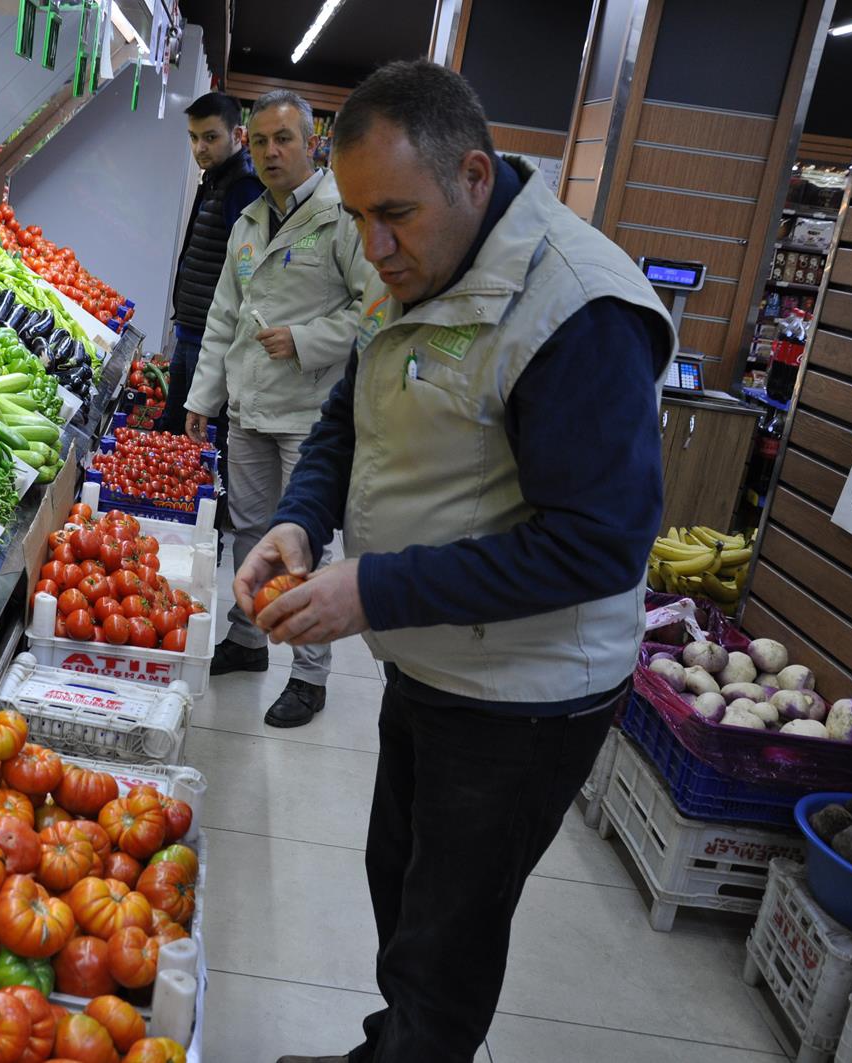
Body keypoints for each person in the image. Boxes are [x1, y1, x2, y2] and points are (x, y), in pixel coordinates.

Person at [239, 61, 675, 1063]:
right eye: (354, 216)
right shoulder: (422, 262)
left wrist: (375, 588)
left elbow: (598, 544)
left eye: (393, 214)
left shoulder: (577, 312)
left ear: (476, 176)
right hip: (436, 656)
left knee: (447, 928)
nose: (372, 246)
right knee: (398, 878)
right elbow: (353, 416)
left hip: (526, 691)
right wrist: (303, 523)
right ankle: (390, 1047)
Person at [184, 89, 375, 728]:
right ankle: (247, 638)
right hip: (249, 407)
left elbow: (372, 312)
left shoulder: (341, 219)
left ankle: (310, 675)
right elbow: (222, 320)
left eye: (284, 139)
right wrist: (203, 398)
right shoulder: (248, 222)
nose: (271, 152)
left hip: (309, 413)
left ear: (311, 143)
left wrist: (306, 339)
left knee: (302, 548)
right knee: (247, 529)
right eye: (261, 141)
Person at [160, 92, 264, 441]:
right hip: (191, 331)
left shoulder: (241, 188)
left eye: (210, 137)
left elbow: (248, 272)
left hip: (210, 339)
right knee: (174, 431)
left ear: (238, 136)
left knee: (191, 440)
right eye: (193, 137)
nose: (200, 147)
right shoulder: (216, 180)